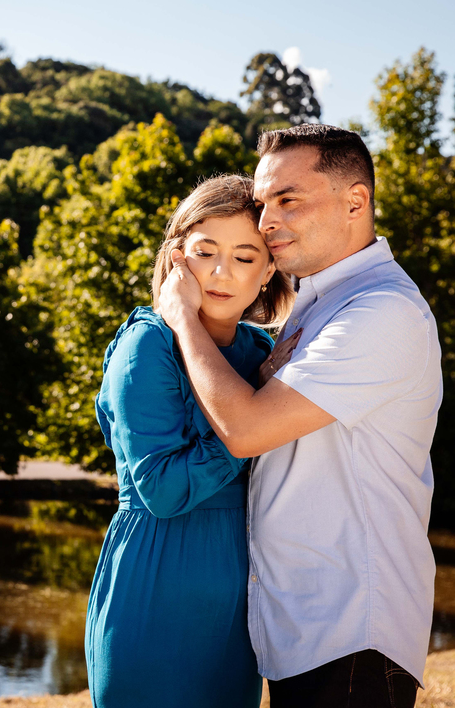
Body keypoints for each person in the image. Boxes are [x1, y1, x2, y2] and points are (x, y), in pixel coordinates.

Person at [157, 125, 442, 708]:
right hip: (306, 630)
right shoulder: (322, 302)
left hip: (352, 633)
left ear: (356, 201)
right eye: (263, 204)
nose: (265, 223)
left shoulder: (381, 311)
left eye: (288, 200)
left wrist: (182, 317)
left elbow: (248, 431)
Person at [85, 174, 295, 707]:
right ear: (177, 258)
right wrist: (253, 411)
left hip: (238, 604)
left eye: (246, 257)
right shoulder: (146, 344)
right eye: (206, 252)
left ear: (269, 268)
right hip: (154, 585)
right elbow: (161, 489)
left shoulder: (259, 349)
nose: (223, 273)